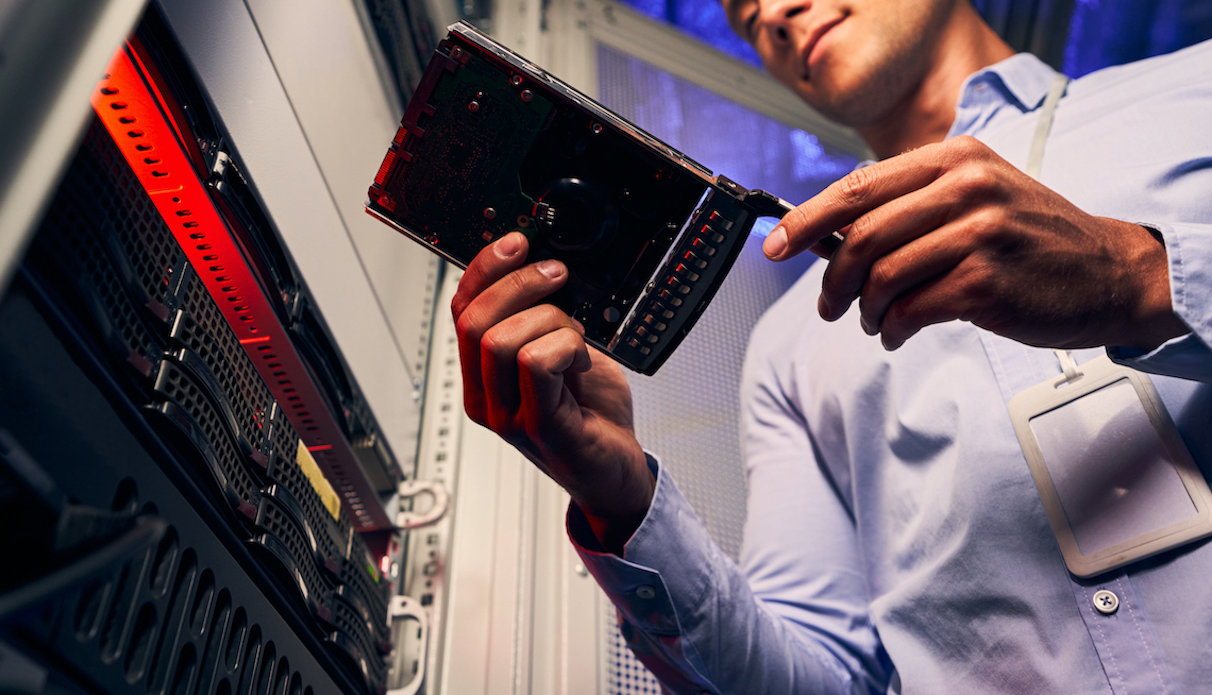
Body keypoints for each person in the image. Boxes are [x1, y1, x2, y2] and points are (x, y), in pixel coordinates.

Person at [451, 0, 1212, 691]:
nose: (772, 14)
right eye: (747, 17)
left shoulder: (1193, 91)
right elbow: (820, 676)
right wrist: (621, 501)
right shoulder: (791, 340)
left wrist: (1140, 277)